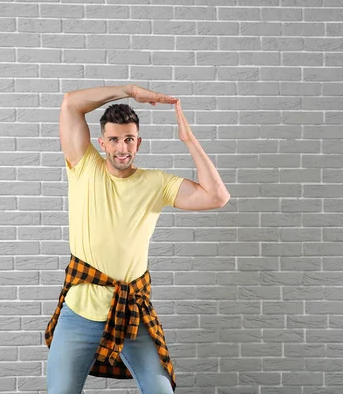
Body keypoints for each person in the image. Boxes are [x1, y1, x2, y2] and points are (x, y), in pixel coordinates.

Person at [43, 84, 230, 394]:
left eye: (129, 140)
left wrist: (188, 139)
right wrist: (130, 91)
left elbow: (217, 196)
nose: (121, 148)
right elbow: (70, 103)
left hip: (131, 313)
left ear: (138, 142)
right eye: (114, 140)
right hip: (79, 315)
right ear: (101, 141)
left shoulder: (155, 183)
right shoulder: (84, 166)